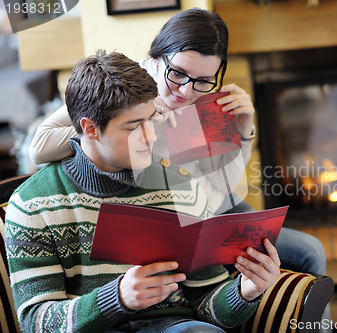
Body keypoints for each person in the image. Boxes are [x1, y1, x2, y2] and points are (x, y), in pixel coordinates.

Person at [29, 8, 327, 282]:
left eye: (203, 80)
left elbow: (221, 181)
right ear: (158, 57)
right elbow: (39, 146)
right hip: (170, 217)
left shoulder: (207, 97)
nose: (187, 90)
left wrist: (244, 130)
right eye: (178, 74)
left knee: (310, 251)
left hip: (212, 206)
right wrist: (140, 119)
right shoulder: (125, 88)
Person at [5, 50, 281, 333]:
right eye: (134, 126)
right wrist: (117, 298)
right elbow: (34, 323)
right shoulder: (32, 205)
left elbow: (207, 303)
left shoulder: (180, 186)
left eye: (150, 119)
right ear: (90, 129)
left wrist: (245, 292)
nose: (150, 136)